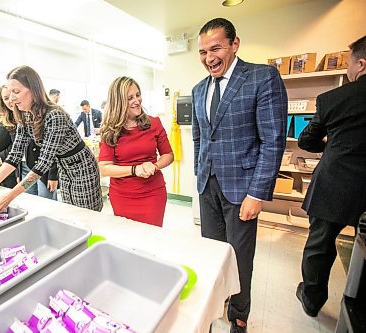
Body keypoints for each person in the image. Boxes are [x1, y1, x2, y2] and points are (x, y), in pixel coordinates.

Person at [192, 18, 287, 332]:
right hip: (208, 185)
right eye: (203, 52)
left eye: (216, 48)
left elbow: (272, 139)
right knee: (212, 253)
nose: (209, 57)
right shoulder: (198, 89)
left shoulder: (261, 77)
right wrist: (199, 173)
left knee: (239, 257)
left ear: (235, 44)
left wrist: (258, 193)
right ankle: (216, 302)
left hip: (243, 188)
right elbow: (199, 137)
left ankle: (239, 315)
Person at [296, 35, 366, 318]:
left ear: (360, 64)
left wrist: (331, 146)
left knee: (320, 244)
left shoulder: (334, 99)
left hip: (336, 183)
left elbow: (306, 141)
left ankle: (312, 300)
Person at [0, 65, 102, 214]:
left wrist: (8, 197)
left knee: (87, 214)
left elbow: (42, 165)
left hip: (82, 168)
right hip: (64, 168)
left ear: (34, 89)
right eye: (10, 93)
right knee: (72, 212)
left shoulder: (54, 115)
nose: (11, 98)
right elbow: (14, 155)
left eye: (16, 92)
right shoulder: (25, 115)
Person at [98, 76, 173, 227]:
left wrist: (155, 166)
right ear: (118, 102)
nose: (137, 100)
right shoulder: (110, 130)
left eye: (138, 95)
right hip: (122, 196)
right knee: (129, 239)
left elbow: (168, 155)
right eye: (130, 98)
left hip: (153, 194)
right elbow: (104, 168)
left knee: (152, 237)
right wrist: (135, 169)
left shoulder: (154, 123)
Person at [0, 84, 58, 200]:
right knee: (31, 201)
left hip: (43, 169)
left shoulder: (42, 115)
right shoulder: (12, 120)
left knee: (45, 201)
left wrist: (53, 175)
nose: (11, 100)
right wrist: (17, 174)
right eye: (6, 98)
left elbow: (52, 151)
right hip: (25, 167)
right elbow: (15, 153)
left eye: (13, 95)